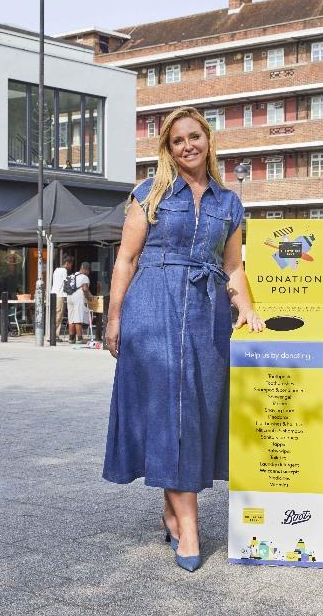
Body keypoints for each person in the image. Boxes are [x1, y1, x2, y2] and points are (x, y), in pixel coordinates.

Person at [102, 106, 264, 572]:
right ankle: (189, 529)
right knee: (171, 408)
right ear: (168, 149)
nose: (187, 145)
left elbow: (233, 266)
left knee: (196, 409)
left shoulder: (228, 204)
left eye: (195, 136)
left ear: (208, 141)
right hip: (153, 307)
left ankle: (172, 508)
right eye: (178, 140)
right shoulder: (148, 194)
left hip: (206, 313)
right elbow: (126, 260)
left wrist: (247, 308)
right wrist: (114, 318)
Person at [66, 262, 92, 344]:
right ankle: (80, 338)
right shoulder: (84, 277)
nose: (88, 272)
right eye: (88, 270)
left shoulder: (72, 275)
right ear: (86, 269)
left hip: (69, 297)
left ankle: (71, 338)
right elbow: (85, 289)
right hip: (78, 298)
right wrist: (89, 296)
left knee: (71, 318)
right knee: (78, 318)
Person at [51, 259, 73, 340]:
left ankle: (55, 335)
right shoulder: (63, 270)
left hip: (54, 295)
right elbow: (67, 283)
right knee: (58, 315)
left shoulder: (56, 270)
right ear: (67, 263)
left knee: (56, 315)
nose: (71, 267)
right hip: (60, 295)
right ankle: (52, 335)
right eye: (71, 265)